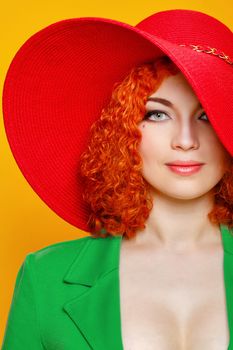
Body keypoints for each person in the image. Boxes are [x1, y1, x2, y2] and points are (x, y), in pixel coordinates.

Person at [1, 8, 233, 350]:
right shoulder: (44, 276)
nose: (185, 140)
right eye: (157, 114)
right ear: (122, 131)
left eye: (207, 115)